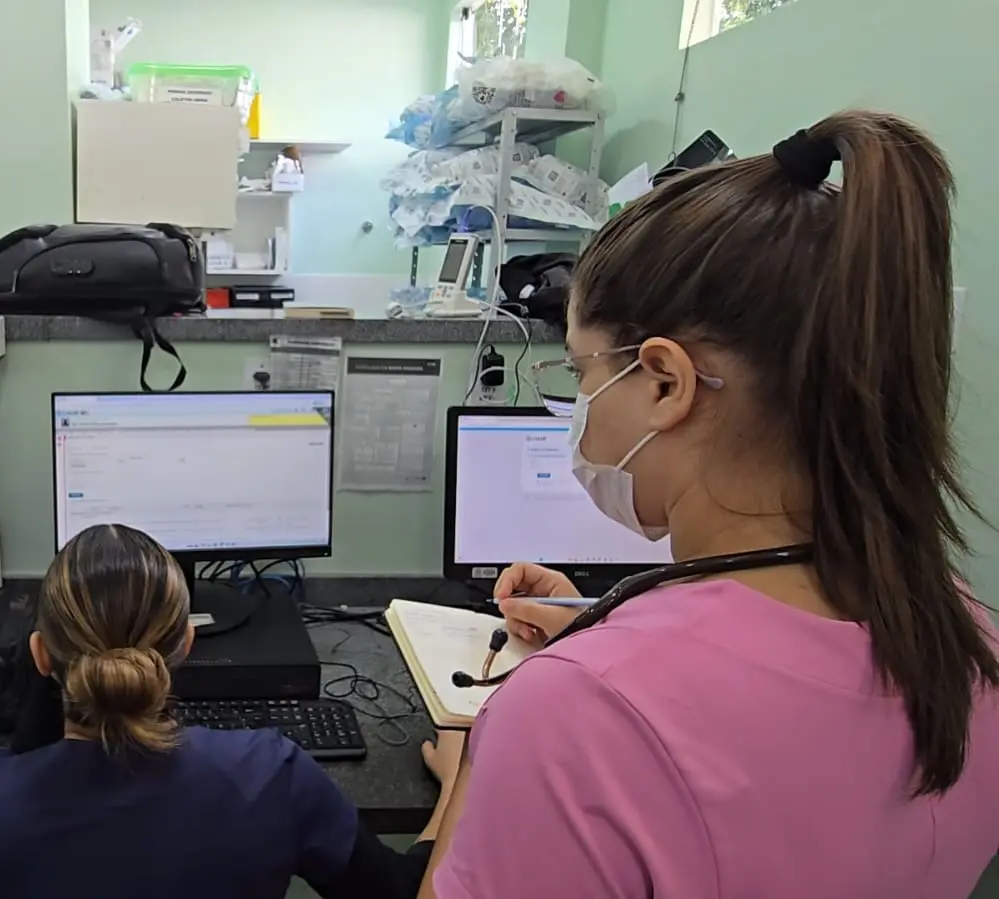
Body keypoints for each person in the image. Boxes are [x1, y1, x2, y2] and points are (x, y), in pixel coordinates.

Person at [423, 110, 999, 898]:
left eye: (581, 373)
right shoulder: (963, 634)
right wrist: (603, 626)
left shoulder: (574, 715)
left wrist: (476, 764)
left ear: (665, 381)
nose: (579, 406)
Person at [0, 523, 456, 899]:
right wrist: (460, 781)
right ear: (186, 642)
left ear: (40, 655)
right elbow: (403, 892)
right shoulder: (271, 775)